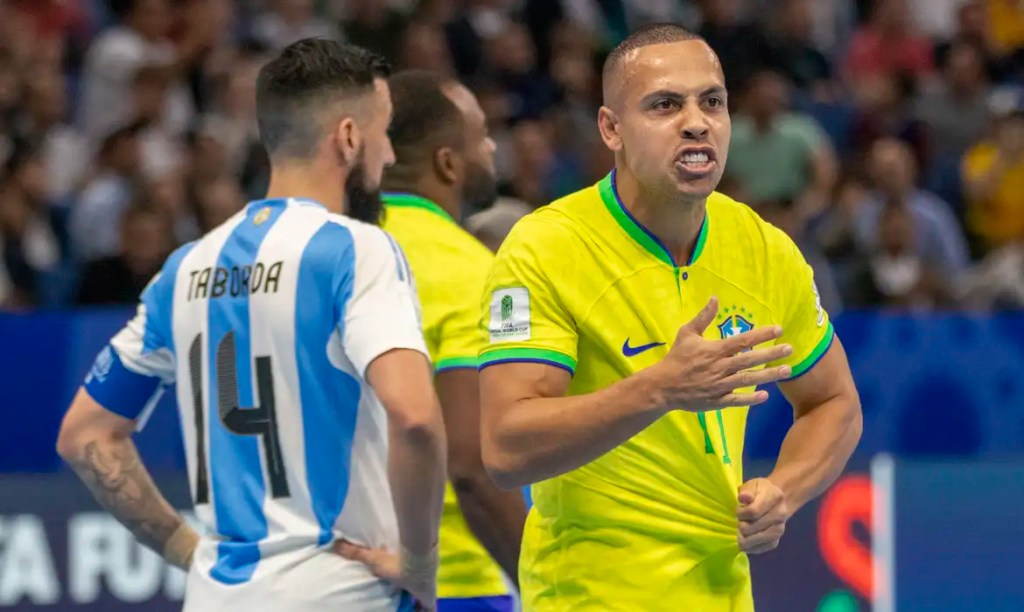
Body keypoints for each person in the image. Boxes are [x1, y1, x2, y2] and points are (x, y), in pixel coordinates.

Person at [477, 24, 863, 611]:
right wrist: (660, 389)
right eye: (664, 105)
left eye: (712, 101)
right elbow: (506, 450)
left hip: (723, 595)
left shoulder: (765, 250)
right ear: (611, 129)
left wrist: (783, 490)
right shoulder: (546, 248)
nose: (696, 121)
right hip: (588, 597)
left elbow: (834, 403)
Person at [56, 39, 447, 612]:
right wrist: (420, 560)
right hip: (341, 591)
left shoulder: (186, 267)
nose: (388, 155)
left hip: (217, 596)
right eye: (384, 132)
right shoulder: (356, 250)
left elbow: (84, 433)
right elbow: (415, 418)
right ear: (347, 137)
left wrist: (185, 548)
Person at [367, 69, 527, 612]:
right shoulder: (477, 273)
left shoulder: (331, 253)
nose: (491, 147)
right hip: (455, 580)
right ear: (447, 162)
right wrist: (546, 582)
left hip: (338, 578)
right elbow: (472, 469)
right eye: (480, 135)